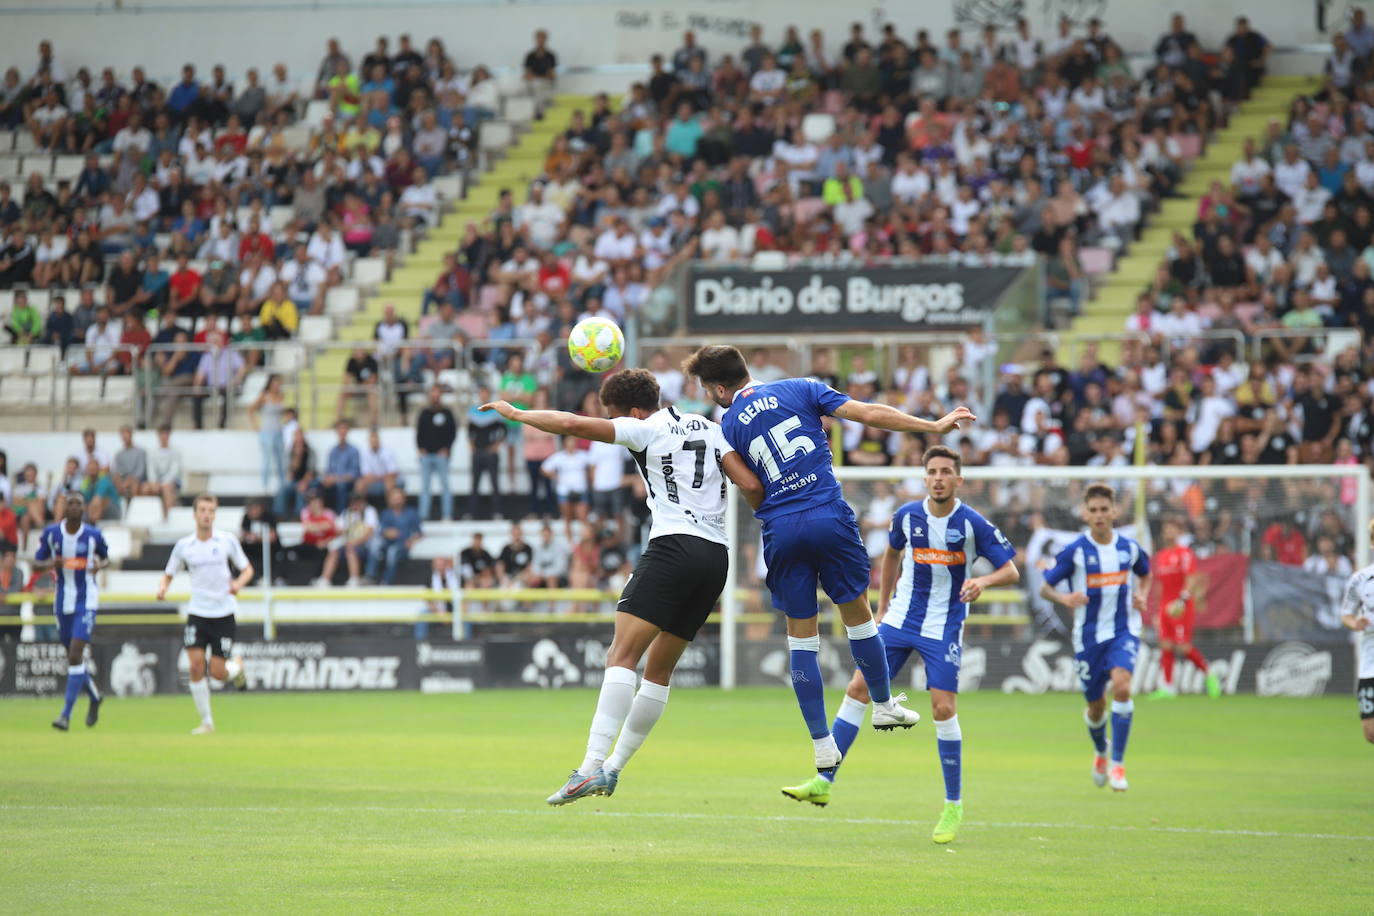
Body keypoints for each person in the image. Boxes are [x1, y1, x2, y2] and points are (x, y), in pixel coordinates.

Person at [481, 367, 764, 804]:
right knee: (659, 673)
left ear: (631, 410)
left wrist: (517, 414)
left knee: (621, 655)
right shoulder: (712, 427)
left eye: (613, 415)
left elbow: (574, 425)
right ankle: (612, 769)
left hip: (672, 547)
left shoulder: (643, 427)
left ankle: (591, 765)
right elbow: (748, 484)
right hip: (715, 558)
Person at [682, 345, 970, 773]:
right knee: (859, 616)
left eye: (708, 390)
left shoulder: (726, 426)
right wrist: (931, 424)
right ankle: (885, 703)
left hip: (781, 528)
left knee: (801, 639)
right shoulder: (801, 388)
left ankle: (821, 743)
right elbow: (868, 413)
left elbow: (751, 488)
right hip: (827, 516)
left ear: (721, 388)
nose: (711, 398)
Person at [780, 446, 1019, 844]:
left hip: (943, 625)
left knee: (943, 707)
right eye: (932, 471)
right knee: (858, 688)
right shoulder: (907, 516)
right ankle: (824, 781)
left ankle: (953, 804)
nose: (938, 477)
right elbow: (890, 555)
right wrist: (883, 605)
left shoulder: (973, 523)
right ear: (924, 477)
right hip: (898, 619)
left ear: (959, 480)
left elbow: (1010, 569)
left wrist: (982, 581)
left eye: (946, 471)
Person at [1040, 483, 1151, 792]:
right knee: (1096, 708)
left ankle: (1118, 764)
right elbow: (1044, 586)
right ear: (1085, 514)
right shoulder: (1076, 551)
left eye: (1105, 510)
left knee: (1123, 685)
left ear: (1114, 512)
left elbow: (1146, 572)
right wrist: (1064, 599)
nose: (1100, 515)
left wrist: (1142, 596)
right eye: (1094, 510)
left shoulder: (1128, 548)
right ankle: (1101, 751)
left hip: (1123, 630)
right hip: (1088, 638)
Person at [156, 494, 251, 734]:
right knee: (196, 666)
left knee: (218, 674)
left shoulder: (227, 541)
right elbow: (170, 571)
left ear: (215, 515)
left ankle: (236, 668)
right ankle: (207, 722)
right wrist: (163, 586)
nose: (206, 515)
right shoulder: (184, 546)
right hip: (197, 613)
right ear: (195, 514)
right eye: (202, 510)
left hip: (223, 615)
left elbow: (247, 569)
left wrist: (238, 584)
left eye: (211, 511)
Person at [31, 492, 107, 731]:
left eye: (79, 504)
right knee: (72, 658)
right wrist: (49, 565)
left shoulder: (93, 535)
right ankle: (94, 696)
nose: (74, 507)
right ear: (64, 507)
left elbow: (106, 558)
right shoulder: (52, 534)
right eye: (70, 503)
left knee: (75, 655)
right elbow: (36, 562)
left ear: (84, 508)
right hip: (62, 602)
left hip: (86, 601)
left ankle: (65, 715)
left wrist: (98, 566)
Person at [1145, 518, 1221, 700]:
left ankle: (1209, 673)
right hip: (1165, 606)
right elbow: (1160, 585)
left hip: (1181, 606)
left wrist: (1182, 600)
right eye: (1166, 529)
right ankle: (1168, 687)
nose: (1169, 533)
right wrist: (1157, 610)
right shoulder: (1161, 556)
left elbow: (1192, 579)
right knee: (1165, 645)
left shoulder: (1184, 553)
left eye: (1172, 529)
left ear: (1178, 533)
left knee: (1183, 646)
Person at [1338, 520, 1374, 745]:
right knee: (1370, 732)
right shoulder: (1360, 580)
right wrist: (1355, 624)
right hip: (1370, 661)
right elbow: (1346, 614)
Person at [416, 385, 456, 521]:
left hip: (441, 456)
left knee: (445, 485)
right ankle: (423, 515)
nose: (435, 395)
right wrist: (420, 448)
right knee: (425, 487)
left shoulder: (447, 413)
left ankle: (447, 515)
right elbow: (419, 432)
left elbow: (452, 433)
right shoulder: (424, 413)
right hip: (426, 455)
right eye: (433, 392)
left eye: (437, 393)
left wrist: (447, 448)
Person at [367, 486, 421, 585]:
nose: (397, 501)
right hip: (388, 542)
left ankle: (386, 581)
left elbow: (419, 533)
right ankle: (370, 576)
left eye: (398, 498)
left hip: (402, 544)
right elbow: (381, 530)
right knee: (375, 544)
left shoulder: (411, 513)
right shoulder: (386, 513)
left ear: (403, 499)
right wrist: (387, 532)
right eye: (394, 498)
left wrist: (411, 541)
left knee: (392, 552)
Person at [323, 492, 377, 587]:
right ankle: (325, 579)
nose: (355, 504)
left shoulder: (369, 511)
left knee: (350, 550)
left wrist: (354, 542)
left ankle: (354, 579)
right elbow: (339, 531)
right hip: (347, 543)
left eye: (358, 501)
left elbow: (370, 533)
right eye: (353, 502)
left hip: (365, 546)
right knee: (334, 550)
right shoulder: (345, 513)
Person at [249, 374, 287, 491]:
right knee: (267, 459)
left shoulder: (281, 396)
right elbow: (251, 409)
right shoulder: (264, 396)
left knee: (280, 459)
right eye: (275, 383)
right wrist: (255, 425)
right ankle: (264, 486)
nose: (277, 385)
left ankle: (282, 484)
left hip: (278, 431)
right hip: (267, 431)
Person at [321, 419, 360, 512]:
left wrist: (337, 478)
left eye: (344, 428)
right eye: (340, 428)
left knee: (341, 486)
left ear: (347, 431)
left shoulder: (353, 451)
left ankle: (341, 514)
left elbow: (354, 473)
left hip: (347, 482)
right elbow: (329, 470)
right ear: (337, 431)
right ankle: (323, 515)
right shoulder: (332, 451)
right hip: (334, 481)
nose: (342, 431)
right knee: (318, 484)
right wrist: (327, 478)